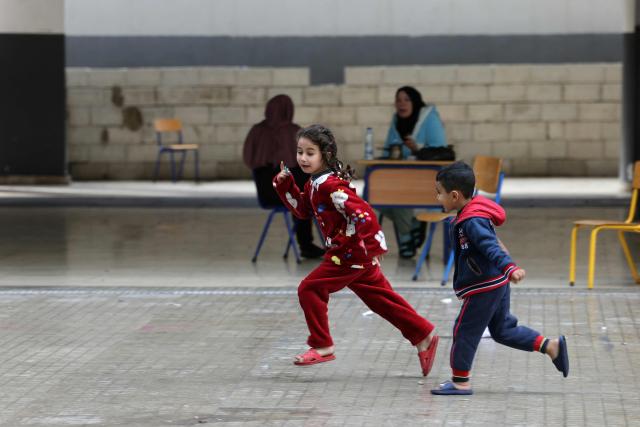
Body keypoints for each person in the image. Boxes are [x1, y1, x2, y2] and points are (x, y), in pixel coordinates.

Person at [273, 124, 439, 375]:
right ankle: (423, 335)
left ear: (325, 155)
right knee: (381, 300)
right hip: (356, 255)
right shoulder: (313, 184)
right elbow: (303, 211)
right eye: (300, 152)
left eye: (310, 152)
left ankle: (322, 345)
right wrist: (285, 186)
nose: (303, 158)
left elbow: (363, 212)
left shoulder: (331, 186)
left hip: (348, 254)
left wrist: (374, 244)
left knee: (310, 288)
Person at [430, 162, 569, 395]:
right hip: (495, 282)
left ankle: (460, 381)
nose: (437, 198)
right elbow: (491, 243)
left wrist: (510, 267)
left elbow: (490, 247)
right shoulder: (471, 213)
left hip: (484, 286)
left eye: (439, 193)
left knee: (464, 330)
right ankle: (551, 346)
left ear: (454, 195)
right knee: (502, 330)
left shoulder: (471, 220)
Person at [243, 94, 324, 259]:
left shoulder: (256, 131)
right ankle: (307, 244)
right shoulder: (294, 132)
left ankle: (307, 244)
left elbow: (248, 158)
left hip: (266, 194)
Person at [379, 86, 448, 259]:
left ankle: (405, 237)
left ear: (415, 102)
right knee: (375, 197)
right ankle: (412, 227)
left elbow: (442, 151)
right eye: (398, 100)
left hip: (427, 183)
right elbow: (388, 149)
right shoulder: (396, 121)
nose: (401, 104)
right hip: (400, 180)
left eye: (406, 100)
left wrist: (418, 149)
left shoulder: (429, 118)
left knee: (399, 198)